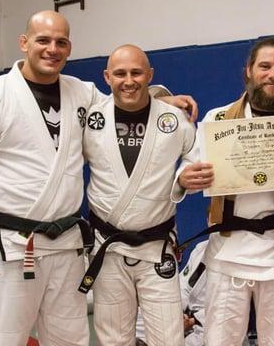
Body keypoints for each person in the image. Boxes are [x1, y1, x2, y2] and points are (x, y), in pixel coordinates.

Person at [0, 11, 197, 346]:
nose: (52, 48)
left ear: (69, 48)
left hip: (66, 246)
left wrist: (161, 99)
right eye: (43, 40)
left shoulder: (80, 93)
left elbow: (124, 100)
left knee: (71, 338)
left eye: (61, 42)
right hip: (12, 244)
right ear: (24, 43)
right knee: (8, 337)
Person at [176, 37, 274, 345]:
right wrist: (185, 178)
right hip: (227, 249)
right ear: (248, 70)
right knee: (219, 339)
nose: (272, 74)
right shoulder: (218, 120)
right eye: (265, 66)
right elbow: (187, 169)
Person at [79, 44, 196, 346]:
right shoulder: (91, 119)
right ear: (107, 77)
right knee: (113, 339)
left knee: (169, 339)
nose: (128, 80)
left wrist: (183, 180)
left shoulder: (174, 120)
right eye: (120, 73)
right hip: (109, 248)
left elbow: (198, 157)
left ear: (150, 75)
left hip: (157, 249)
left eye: (136, 72)